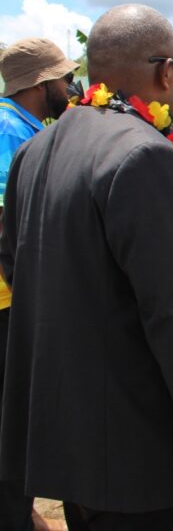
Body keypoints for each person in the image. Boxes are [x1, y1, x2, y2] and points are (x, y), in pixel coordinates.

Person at [0, 4, 173, 530]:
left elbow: (18, 272)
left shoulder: (38, 149)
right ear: (165, 72)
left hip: (77, 445)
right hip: (143, 459)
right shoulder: (145, 155)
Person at [0, 38, 77, 531]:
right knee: (11, 417)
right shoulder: (11, 132)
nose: (71, 87)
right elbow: (7, 222)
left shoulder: (23, 126)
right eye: (66, 79)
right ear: (44, 83)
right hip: (6, 301)